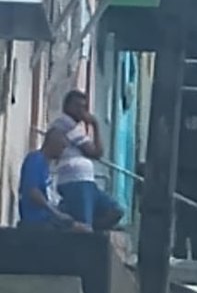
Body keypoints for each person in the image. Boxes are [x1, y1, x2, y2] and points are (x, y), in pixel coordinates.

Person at [49, 90, 124, 232]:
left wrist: (94, 125)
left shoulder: (76, 128)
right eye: (77, 106)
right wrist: (94, 124)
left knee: (115, 210)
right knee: (84, 224)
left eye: (83, 107)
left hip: (87, 181)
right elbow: (94, 152)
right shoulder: (66, 123)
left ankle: (91, 229)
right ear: (67, 106)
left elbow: (98, 153)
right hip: (75, 181)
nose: (81, 111)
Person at [18, 129, 90, 231]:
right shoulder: (36, 159)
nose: (63, 151)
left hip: (49, 219)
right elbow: (33, 192)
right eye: (62, 147)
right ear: (53, 144)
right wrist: (55, 213)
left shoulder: (47, 165)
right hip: (37, 221)